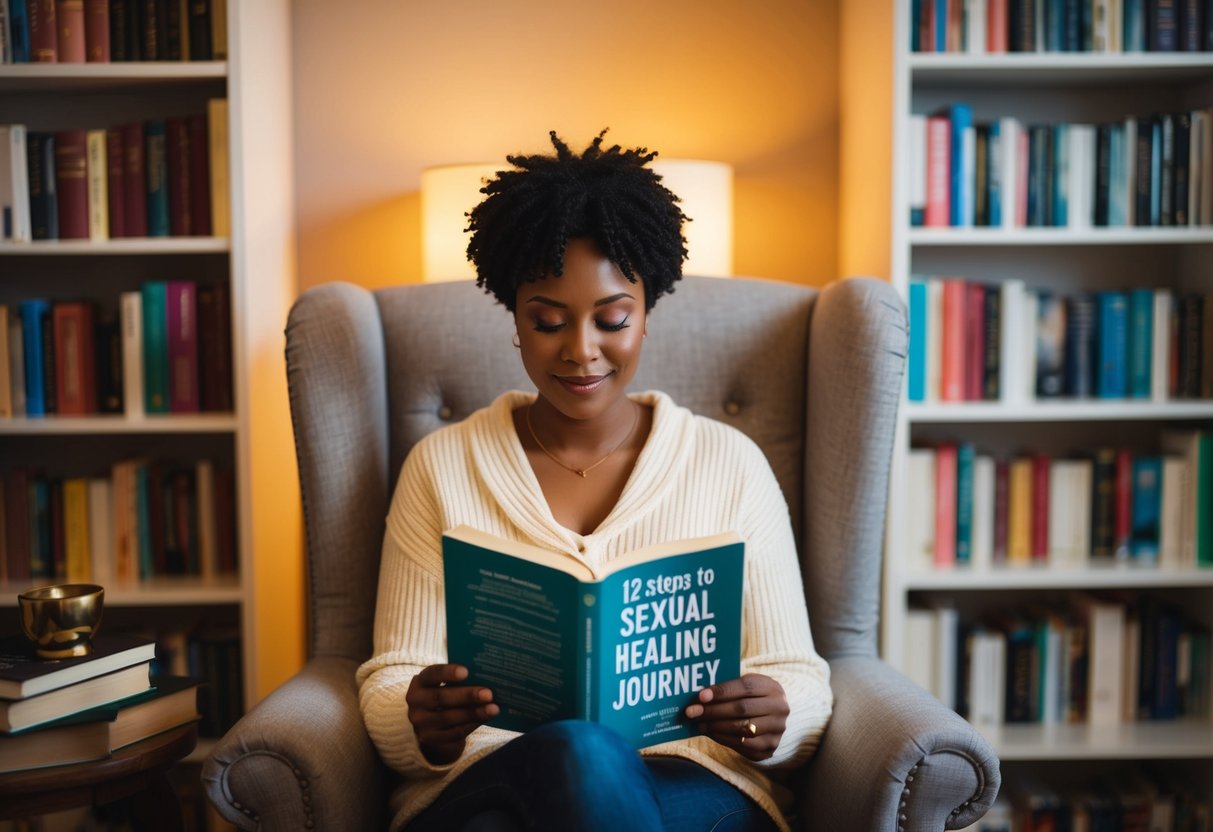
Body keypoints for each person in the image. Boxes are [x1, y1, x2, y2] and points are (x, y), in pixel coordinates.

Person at [356, 130, 832, 832]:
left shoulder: (729, 463)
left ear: (646, 314)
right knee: (576, 753)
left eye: (612, 319)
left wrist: (775, 713)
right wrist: (420, 716)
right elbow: (392, 675)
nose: (581, 351)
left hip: (690, 785)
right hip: (492, 777)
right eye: (546, 321)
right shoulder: (442, 465)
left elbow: (798, 671)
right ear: (514, 320)